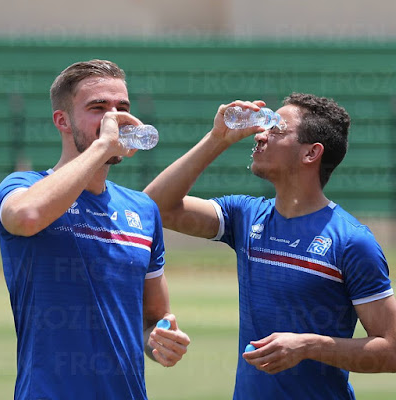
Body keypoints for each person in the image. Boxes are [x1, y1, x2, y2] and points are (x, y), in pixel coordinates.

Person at [144, 94, 396, 399]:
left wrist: (308, 346)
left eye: (276, 129)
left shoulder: (352, 241)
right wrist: (217, 138)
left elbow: (391, 349)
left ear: (311, 153)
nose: (261, 134)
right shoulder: (245, 216)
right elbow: (156, 206)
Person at [0, 59, 190, 400]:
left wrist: (161, 340)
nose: (114, 118)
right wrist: (103, 145)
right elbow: (25, 216)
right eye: (98, 108)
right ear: (62, 121)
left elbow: (153, 318)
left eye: (122, 108)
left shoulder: (142, 209)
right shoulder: (24, 186)